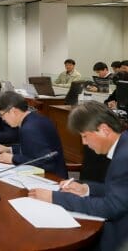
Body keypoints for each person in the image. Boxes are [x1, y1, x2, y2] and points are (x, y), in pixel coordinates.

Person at [28, 101, 128, 251]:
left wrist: (55, 197)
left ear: (104, 130)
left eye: (85, 136)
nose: (84, 142)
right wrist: (86, 189)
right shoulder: (124, 144)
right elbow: (120, 190)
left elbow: (111, 207)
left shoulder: (124, 156)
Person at [0, 91, 68, 178]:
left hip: (53, 179)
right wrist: (9, 149)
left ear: (13, 111)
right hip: (46, 175)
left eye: (2, 115)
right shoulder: (34, 119)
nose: (3, 119)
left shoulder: (30, 128)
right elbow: (34, 150)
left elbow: (45, 162)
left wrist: (12, 158)